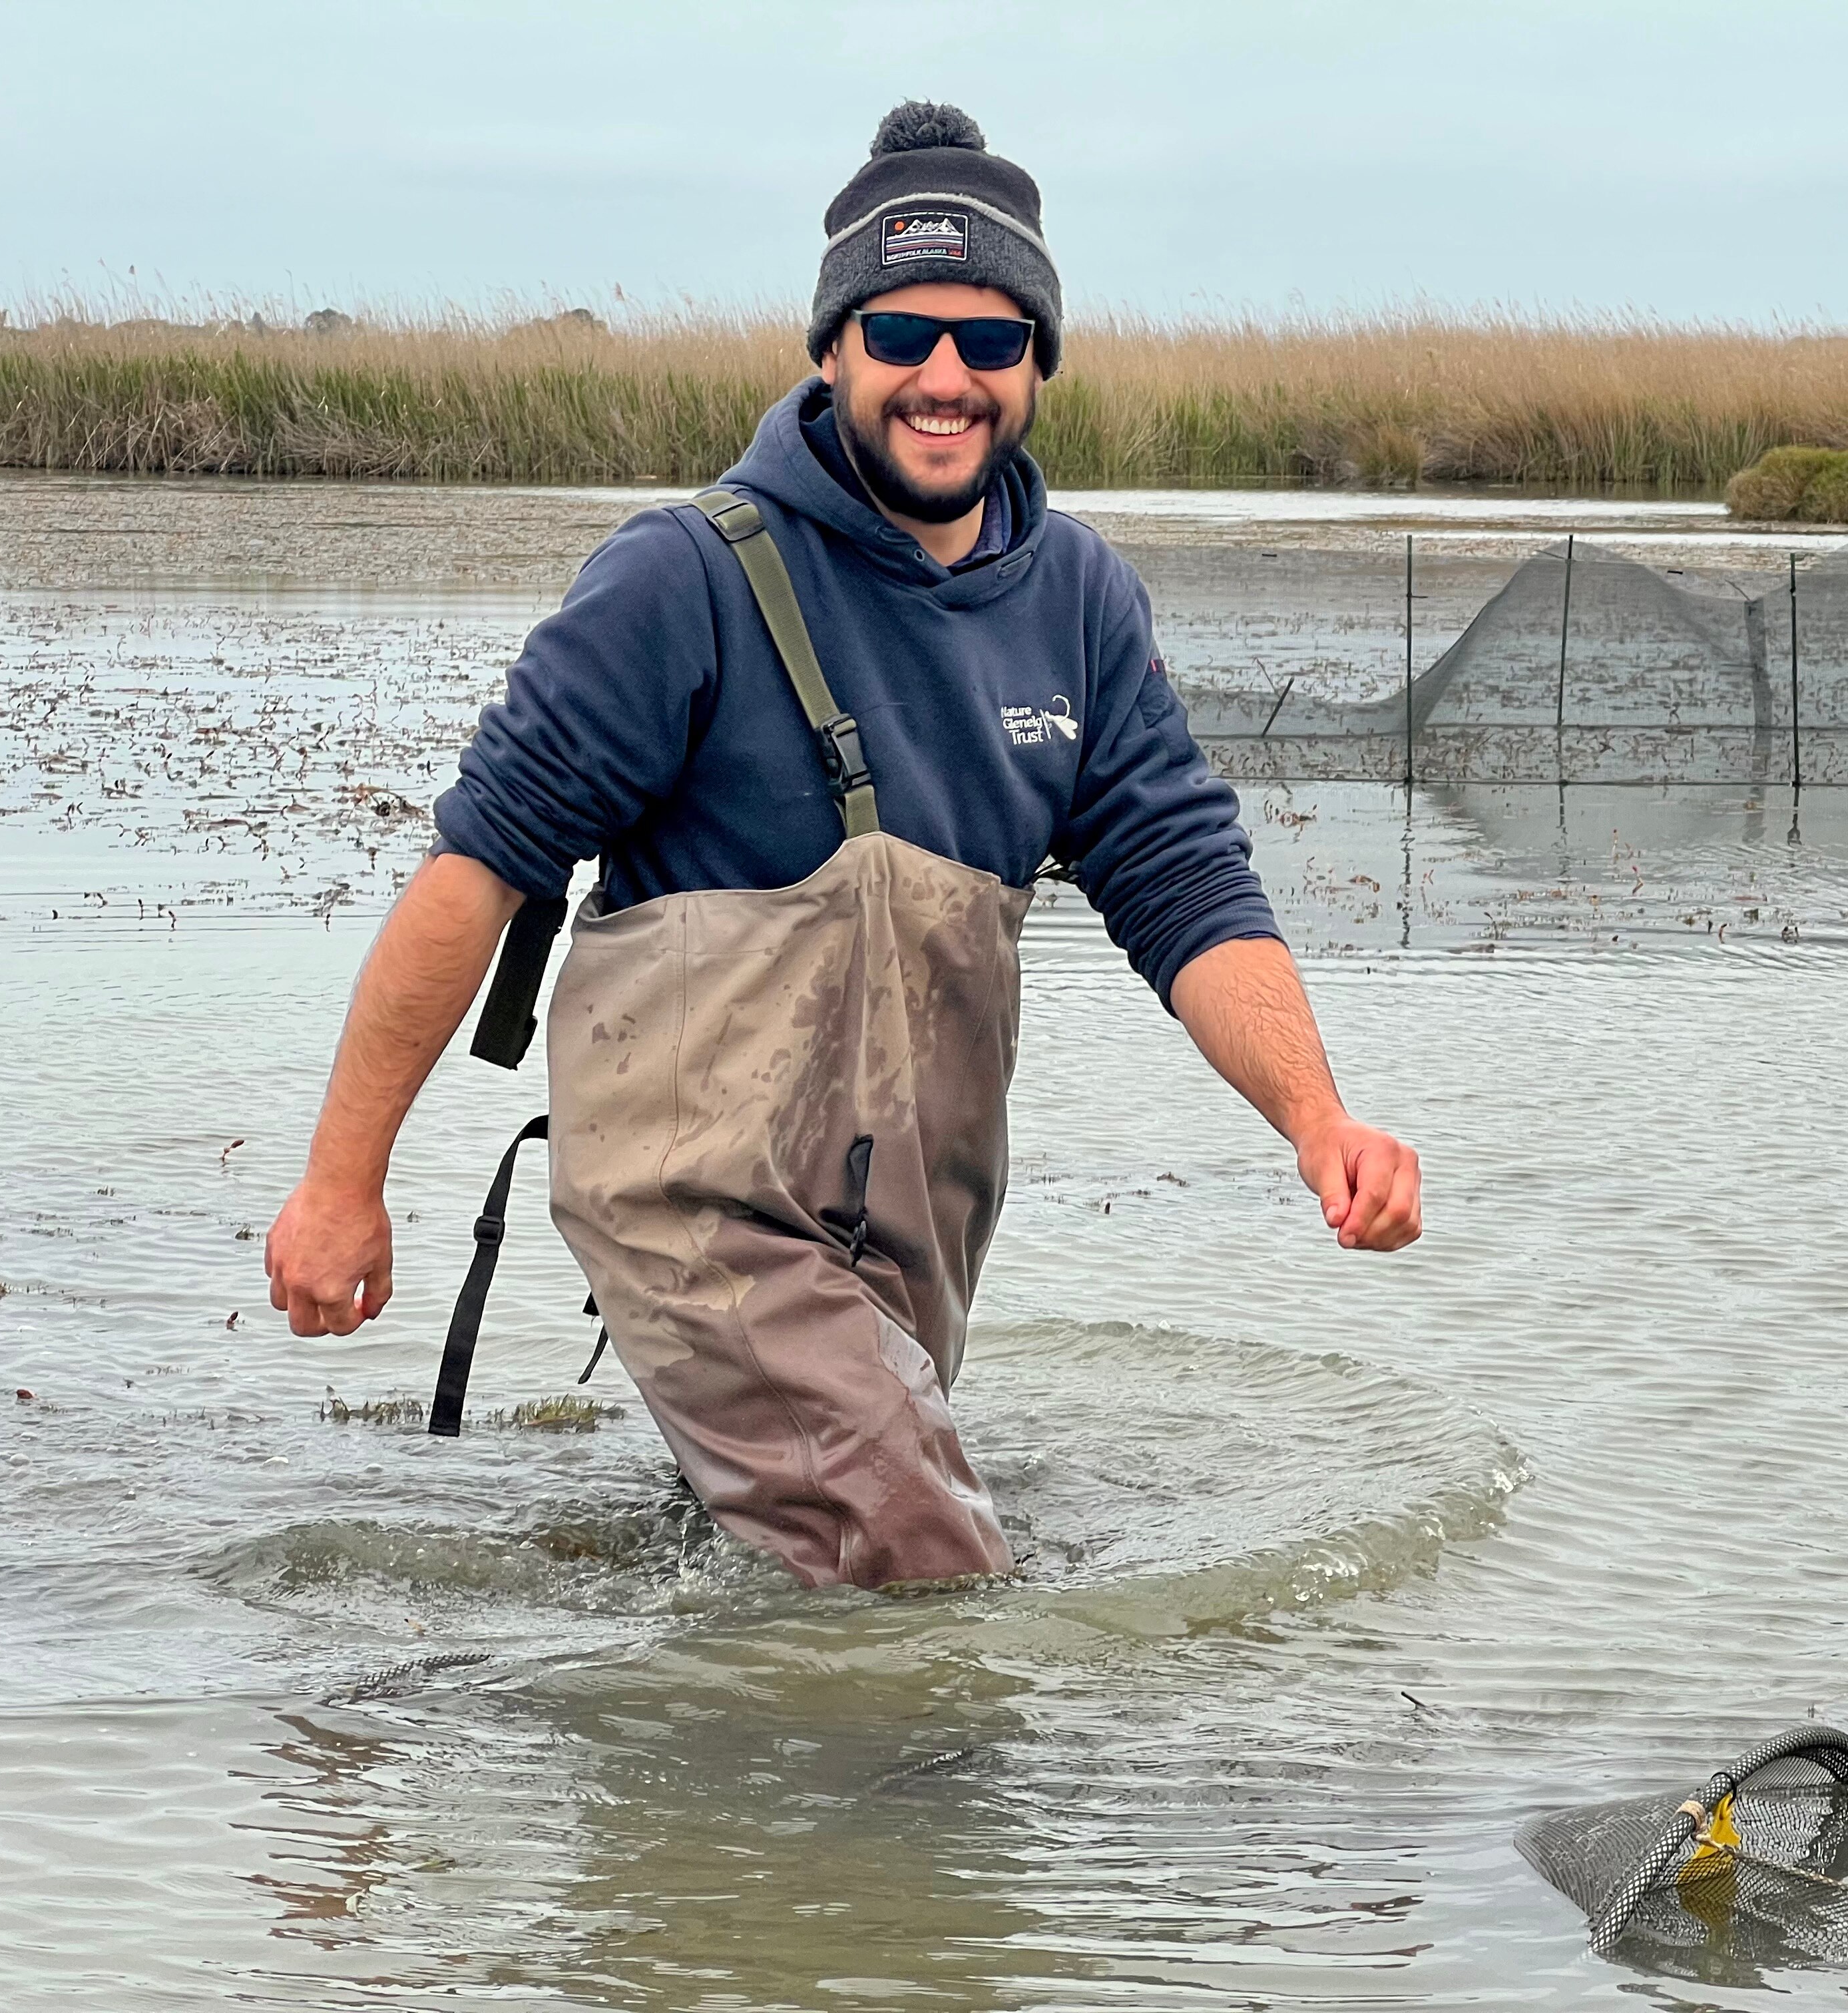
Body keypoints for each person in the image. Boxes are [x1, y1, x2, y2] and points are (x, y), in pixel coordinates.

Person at [262, 101, 1421, 1588]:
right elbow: (475, 875)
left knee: (810, 1584)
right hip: (694, 1210)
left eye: (992, 342)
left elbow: (1190, 890)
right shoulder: (678, 581)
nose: (947, 377)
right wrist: (342, 1185)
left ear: (1037, 364)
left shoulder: (1080, 602)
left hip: (909, 1224)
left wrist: (1322, 1124)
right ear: (833, 349)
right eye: (901, 336)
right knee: (926, 1575)